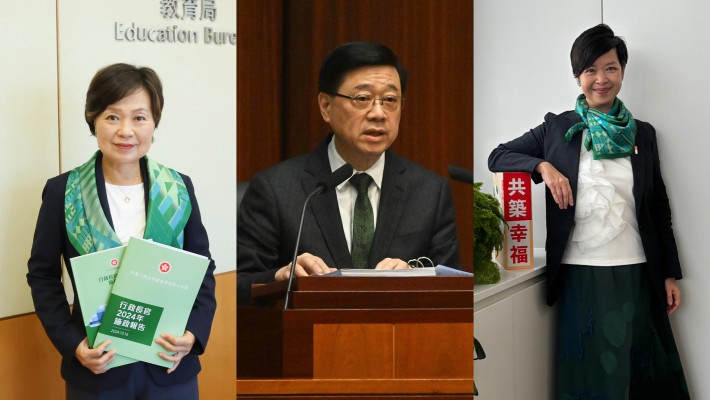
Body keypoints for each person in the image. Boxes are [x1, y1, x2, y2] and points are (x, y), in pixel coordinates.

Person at [488, 24, 689, 399]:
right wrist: (542, 168)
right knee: (590, 376)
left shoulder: (643, 133)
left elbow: (657, 207)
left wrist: (669, 274)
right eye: (591, 70)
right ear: (577, 76)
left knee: (639, 373)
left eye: (611, 68)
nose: (601, 79)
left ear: (623, 71)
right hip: (581, 272)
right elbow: (497, 156)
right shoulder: (557, 129)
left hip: (638, 269)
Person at [26, 63, 217, 399]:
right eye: (112, 117)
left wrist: (194, 334)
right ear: (93, 119)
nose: (126, 131)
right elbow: (42, 275)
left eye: (139, 118)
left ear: (154, 121)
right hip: (97, 370)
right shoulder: (63, 191)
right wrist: (73, 344)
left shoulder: (177, 187)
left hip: (169, 366)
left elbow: (202, 268)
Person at [237, 41, 460, 303]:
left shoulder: (429, 192)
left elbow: (454, 290)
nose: (378, 113)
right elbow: (240, 287)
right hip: (309, 339)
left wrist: (416, 277)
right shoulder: (276, 189)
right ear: (326, 106)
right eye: (362, 99)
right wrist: (280, 276)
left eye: (390, 100)